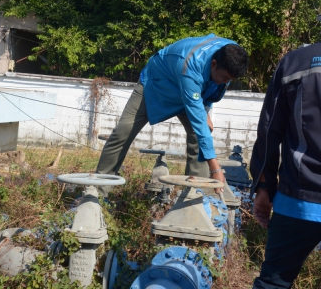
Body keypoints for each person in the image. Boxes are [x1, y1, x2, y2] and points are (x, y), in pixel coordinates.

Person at [96, 34, 249, 196]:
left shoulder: (232, 54)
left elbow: (211, 86)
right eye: (225, 78)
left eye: (230, 80)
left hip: (191, 91)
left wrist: (205, 107)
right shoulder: (191, 67)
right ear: (214, 63)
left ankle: (194, 198)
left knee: (199, 138)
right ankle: (98, 192)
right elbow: (198, 116)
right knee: (123, 131)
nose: (226, 83)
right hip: (157, 84)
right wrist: (216, 169)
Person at [250, 41, 321, 288]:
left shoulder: (296, 62)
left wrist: (263, 187)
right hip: (296, 199)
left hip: (297, 199)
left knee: (273, 282)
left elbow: (270, 131)